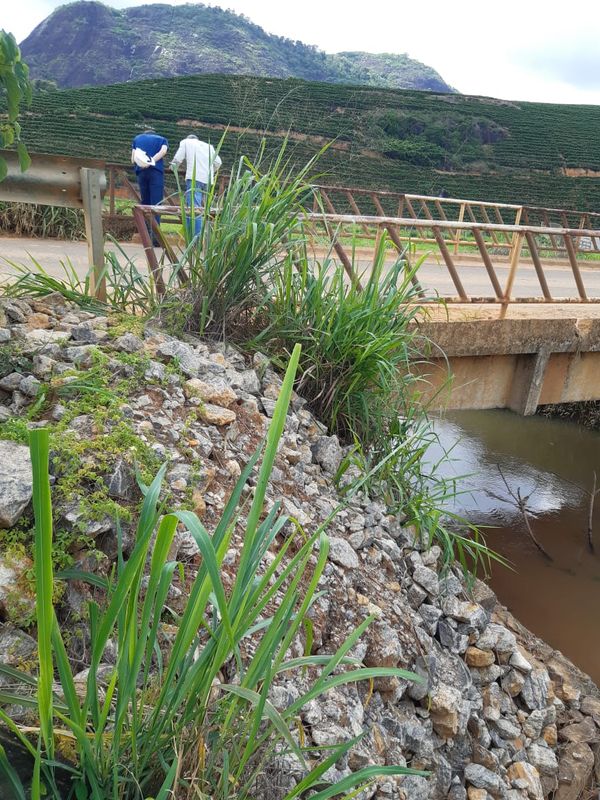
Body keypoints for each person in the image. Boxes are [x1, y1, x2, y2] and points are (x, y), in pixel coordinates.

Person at [170, 134, 222, 238]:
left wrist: (172, 167)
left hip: (194, 178)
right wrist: (211, 171)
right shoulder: (208, 146)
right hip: (208, 179)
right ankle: (207, 238)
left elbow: (177, 159)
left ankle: (196, 239)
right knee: (207, 209)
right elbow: (218, 162)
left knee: (194, 208)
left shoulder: (185, 142)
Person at [131, 128, 168, 245]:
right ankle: (155, 237)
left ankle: (145, 235)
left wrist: (142, 163)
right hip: (156, 172)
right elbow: (163, 152)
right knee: (156, 204)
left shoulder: (137, 138)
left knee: (145, 203)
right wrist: (151, 161)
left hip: (141, 172)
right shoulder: (162, 139)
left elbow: (133, 158)